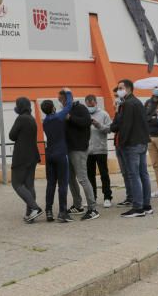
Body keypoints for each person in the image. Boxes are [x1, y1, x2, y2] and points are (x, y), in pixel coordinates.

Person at [111, 80, 152, 217]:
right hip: (141, 142)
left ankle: (138, 208)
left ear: (128, 89)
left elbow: (124, 126)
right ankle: (146, 205)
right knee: (143, 174)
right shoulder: (137, 102)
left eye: (121, 88)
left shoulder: (127, 104)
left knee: (134, 175)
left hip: (132, 144)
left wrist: (122, 143)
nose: (118, 91)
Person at [63, 90, 99, 220]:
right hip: (68, 149)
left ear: (69, 99)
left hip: (79, 149)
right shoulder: (64, 111)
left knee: (82, 178)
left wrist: (70, 118)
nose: (61, 102)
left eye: (62, 100)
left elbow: (86, 121)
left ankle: (93, 208)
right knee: (70, 178)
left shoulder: (80, 108)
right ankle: (77, 205)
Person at [41, 89, 75, 223]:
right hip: (61, 153)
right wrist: (68, 92)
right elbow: (69, 105)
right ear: (53, 108)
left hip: (49, 153)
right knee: (63, 184)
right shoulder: (58, 117)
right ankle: (62, 212)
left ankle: (48, 211)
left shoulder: (45, 121)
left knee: (51, 183)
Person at [9, 97, 43, 222]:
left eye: (17, 105)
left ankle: (35, 208)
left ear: (20, 106)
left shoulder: (21, 118)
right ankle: (30, 214)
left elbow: (11, 135)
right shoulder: (32, 118)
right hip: (33, 155)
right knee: (29, 185)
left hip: (21, 156)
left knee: (16, 183)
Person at [85, 95, 113, 208]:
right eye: (88, 105)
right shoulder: (85, 115)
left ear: (95, 103)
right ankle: (92, 198)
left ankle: (107, 197)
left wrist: (98, 125)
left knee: (104, 174)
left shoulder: (104, 114)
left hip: (101, 149)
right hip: (88, 150)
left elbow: (109, 129)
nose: (90, 107)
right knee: (89, 175)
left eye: (91, 105)